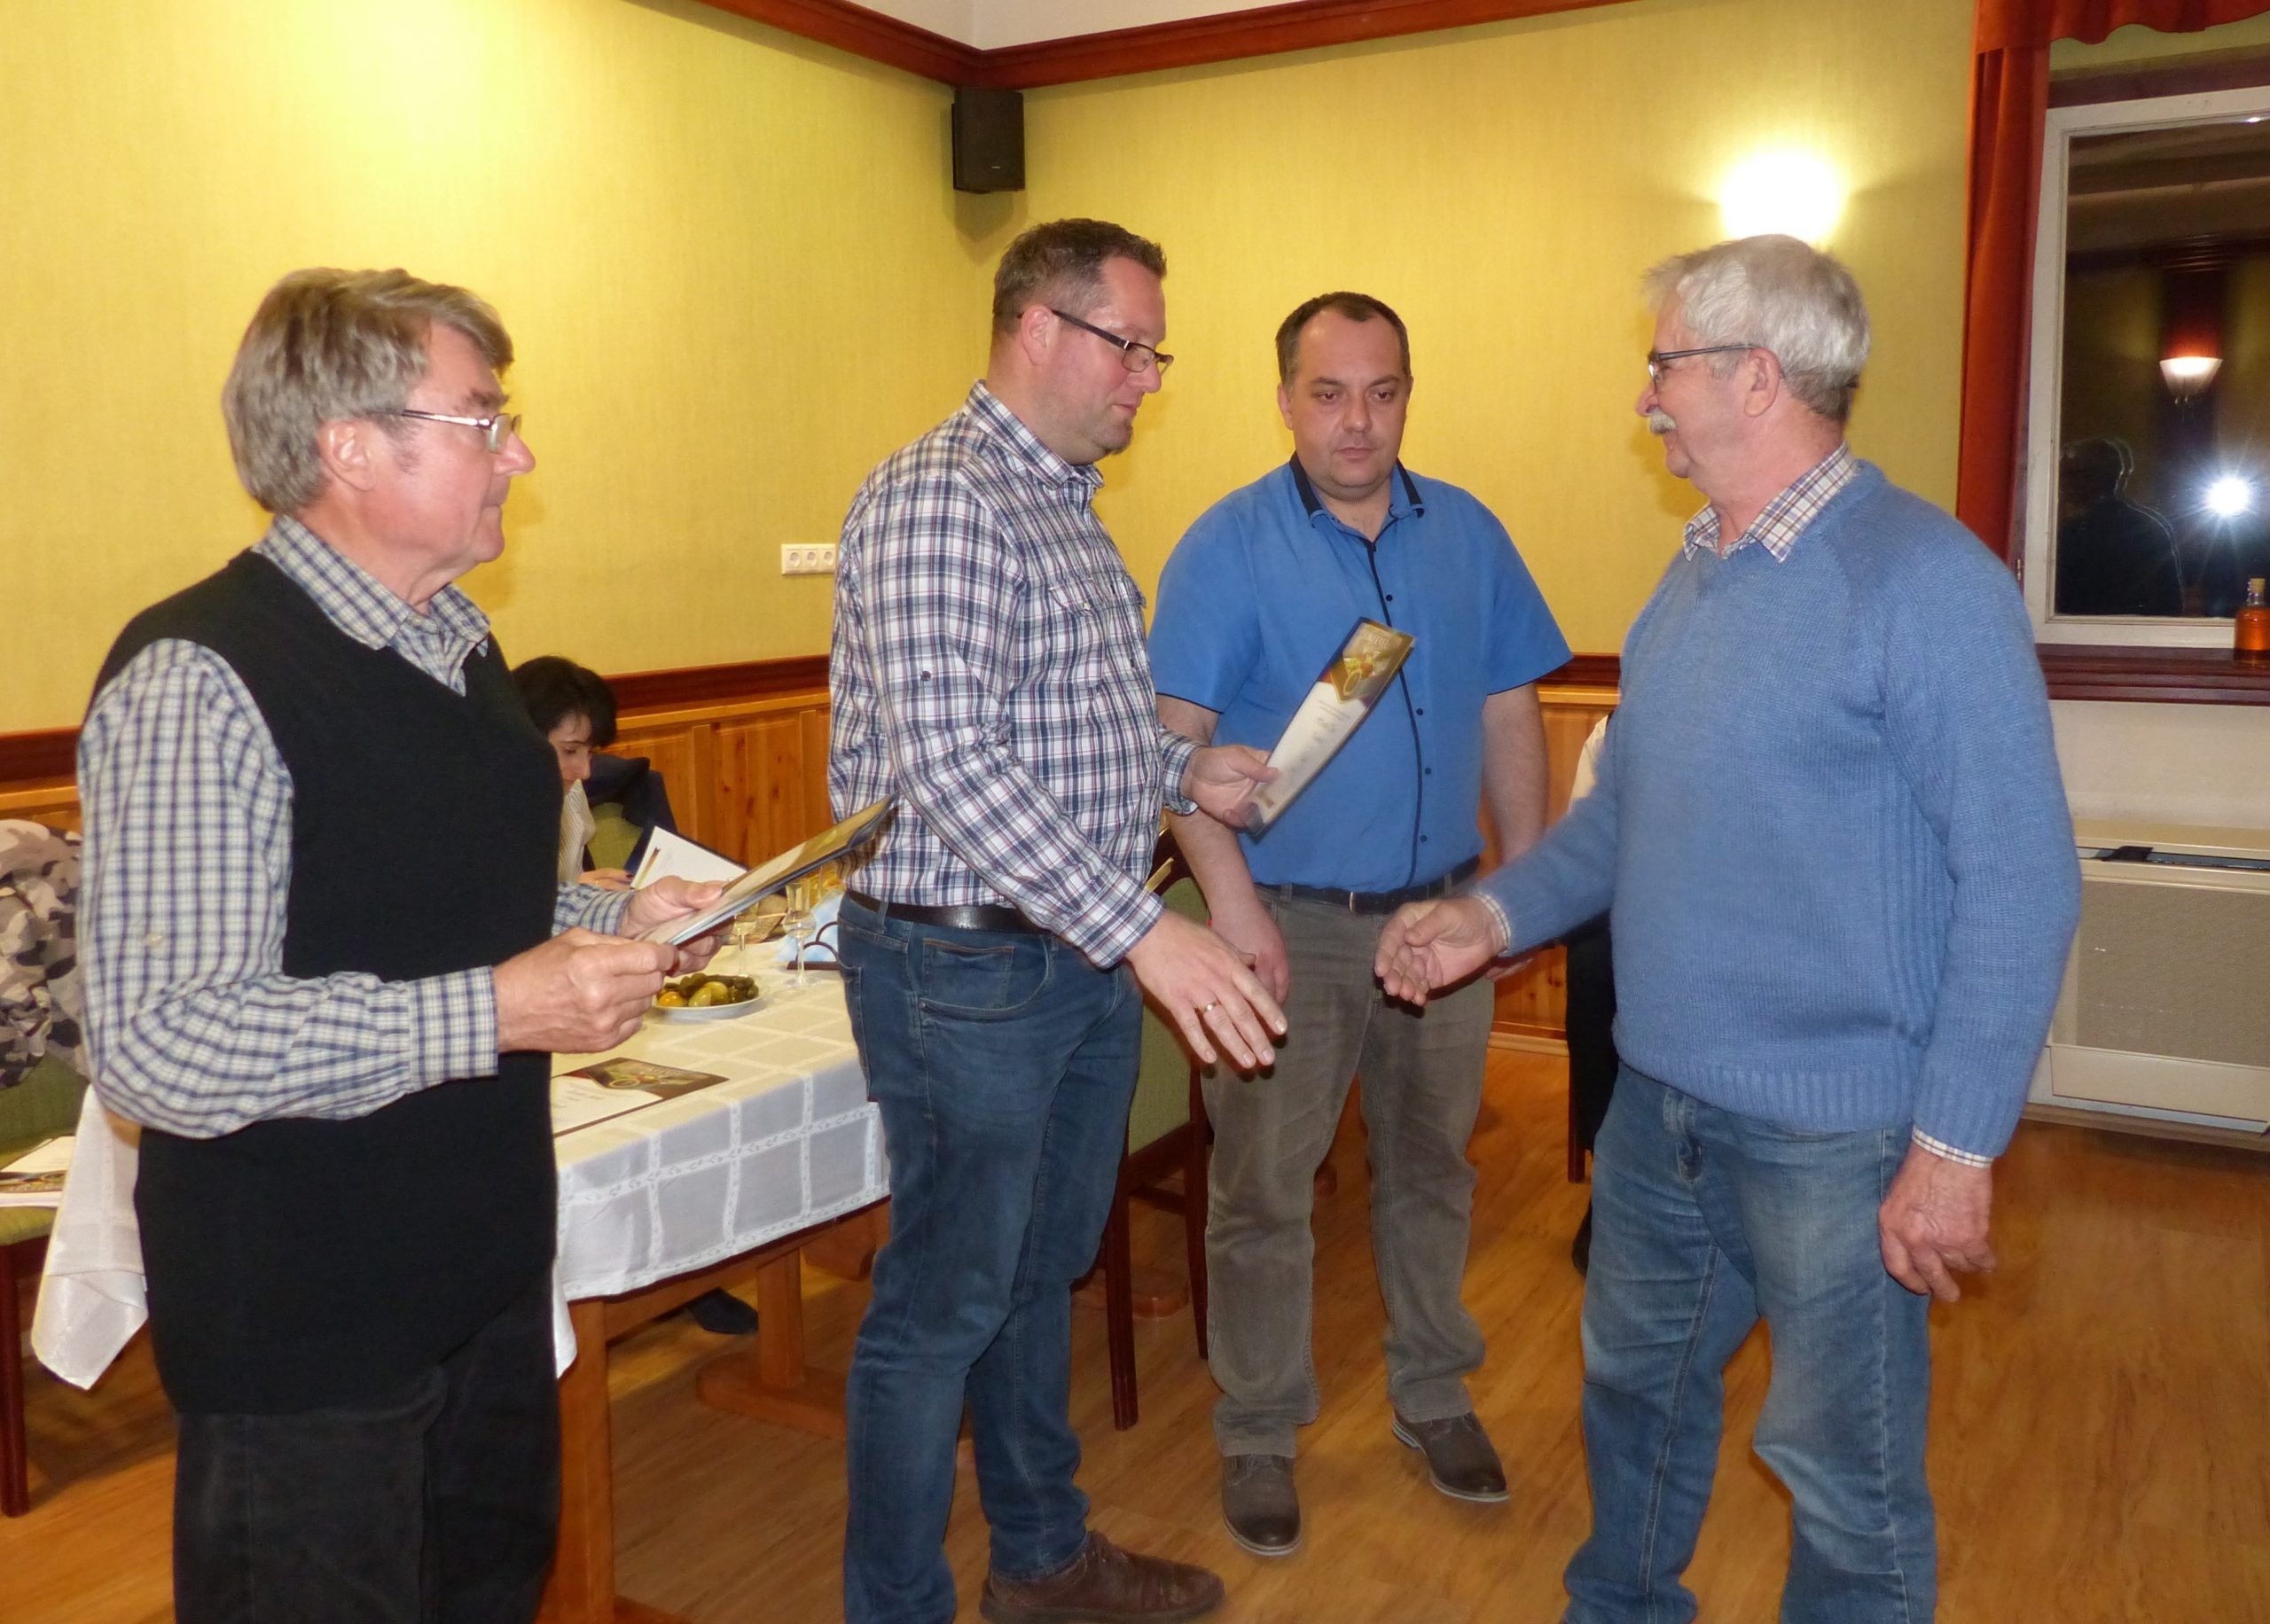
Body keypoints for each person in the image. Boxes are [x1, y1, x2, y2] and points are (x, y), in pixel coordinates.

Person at [1376, 235, 2080, 1621]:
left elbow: (2022, 879)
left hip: (1836, 1133)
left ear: (1757, 378)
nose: (1645, 399)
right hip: (1661, 1113)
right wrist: (1488, 915)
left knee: (1842, 1473)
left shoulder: (1925, 583)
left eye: (1665, 367)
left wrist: (1954, 1152)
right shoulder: (1692, 575)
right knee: (1633, 1395)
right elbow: (1625, 816)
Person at [77, 269, 720, 1624]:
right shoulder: (202, 675)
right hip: (308, 1328)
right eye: (484, 420)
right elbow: (158, 1043)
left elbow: (430, 900)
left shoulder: (457, 645)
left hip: (482, 1275)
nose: (518, 454)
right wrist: (498, 1009)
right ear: (351, 449)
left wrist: (609, 920)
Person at [829, 217, 1287, 1624]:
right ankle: (896, 1605)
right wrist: (1146, 929)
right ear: (1039, 329)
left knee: (1038, 1276)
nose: (1148, 377)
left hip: (1066, 955)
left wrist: (1184, 776)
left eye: (1156, 352)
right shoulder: (941, 497)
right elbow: (952, 766)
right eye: (1131, 346)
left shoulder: (1066, 507)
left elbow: (1078, 736)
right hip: (960, 963)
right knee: (941, 1307)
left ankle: (1039, 1560)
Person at [1147, 291, 1568, 1556]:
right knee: (1263, 1190)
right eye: (1328, 394)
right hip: (1288, 922)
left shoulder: (1469, 533)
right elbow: (1174, 751)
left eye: (1382, 393)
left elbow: (1508, 707)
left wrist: (1519, 891)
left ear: (1407, 396)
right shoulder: (1226, 545)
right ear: (1285, 400)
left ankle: (1433, 1393)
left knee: (1434, 1170)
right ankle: (1258, 1427)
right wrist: (1232, 910)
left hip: (1440, 919)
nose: (1356, 421)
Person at [512, 653, 758, 1337]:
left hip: (575, 963)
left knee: (689, 1101)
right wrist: (572, 897)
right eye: (570, 750)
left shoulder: (565, 796)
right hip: (529, 1001)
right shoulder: (480, 798)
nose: (584, 770)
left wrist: (591, 899)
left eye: (590, 752)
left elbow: (553, 890)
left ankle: (690, 1264)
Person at [2051, 436, 2181, 617]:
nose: (2062, 484)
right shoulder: (2150, 527)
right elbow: (2170, 604)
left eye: (2068, 475)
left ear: (2091, 477)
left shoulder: (2074, 533)